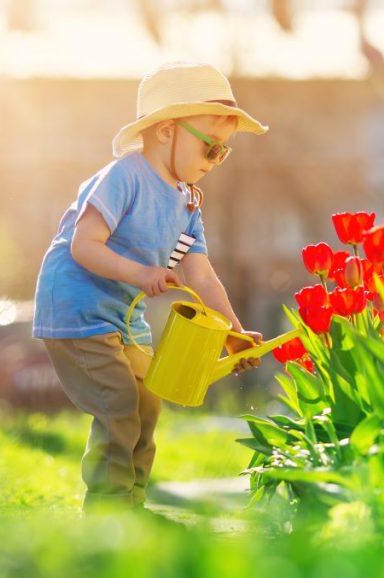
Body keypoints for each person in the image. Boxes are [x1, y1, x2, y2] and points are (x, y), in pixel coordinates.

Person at [32, 61, 268, 512]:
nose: (215, 161)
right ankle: (107, 511)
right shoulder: (125, 176)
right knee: (118, 405)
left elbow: (201, 275)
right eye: (210, 149)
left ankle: (132, 506)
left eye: (223, 152)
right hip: (78, 309)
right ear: (165, 131)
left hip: (123, 316)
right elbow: (84, 246)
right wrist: (141, 273)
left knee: (146, 404)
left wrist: (232, 333)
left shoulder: (188, 204)